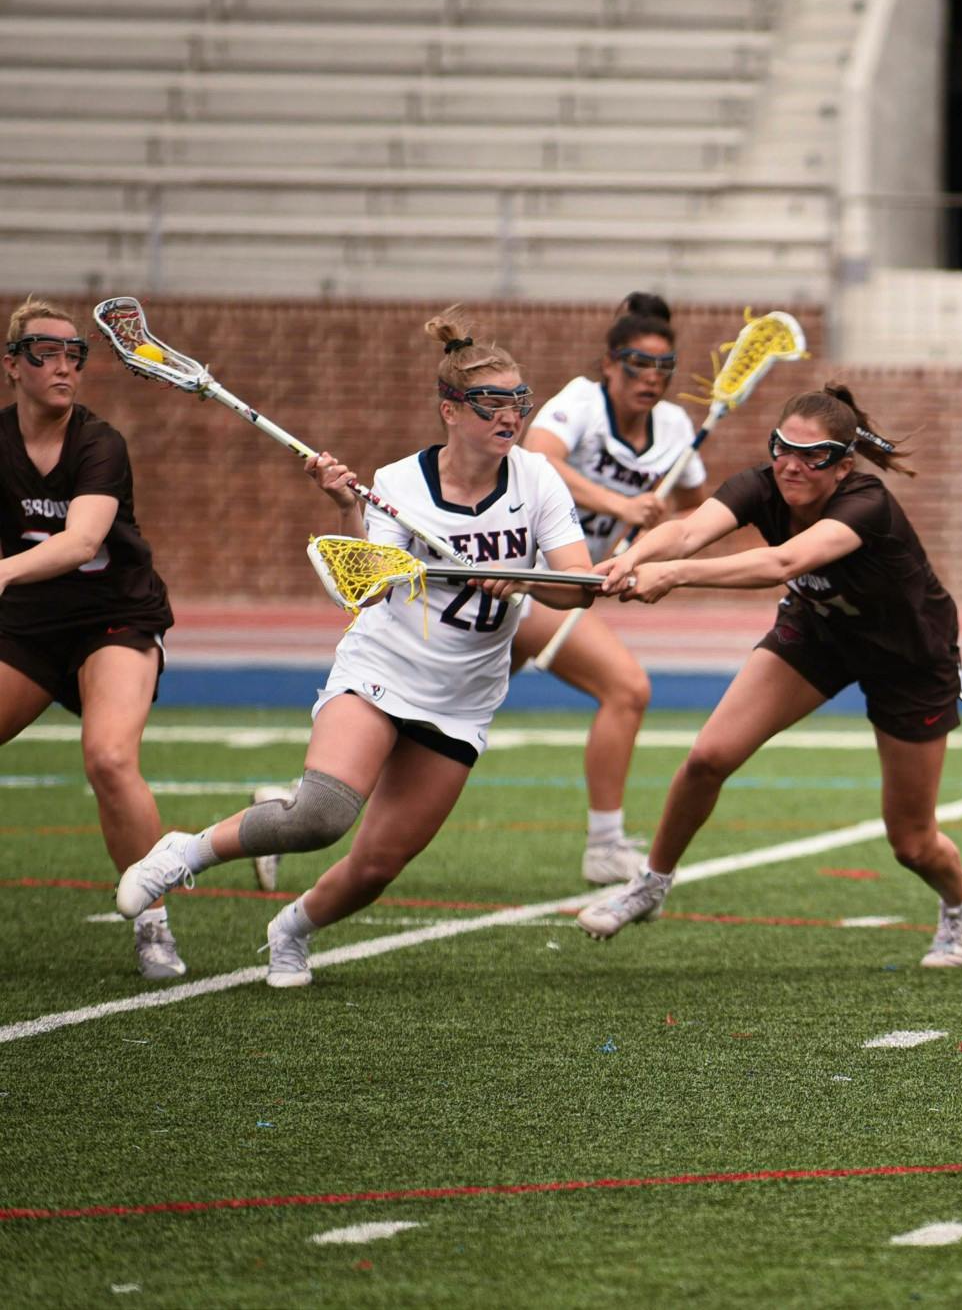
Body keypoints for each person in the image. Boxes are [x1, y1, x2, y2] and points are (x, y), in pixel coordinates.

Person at [115, 311, 597, 988]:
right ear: (450, 410)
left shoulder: (537, 480)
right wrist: (346, 508)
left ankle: (291, 929)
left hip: (462, 698)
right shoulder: (398, 483)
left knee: (376, 867)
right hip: (383, 668)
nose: (509, 414)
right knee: (320, 816)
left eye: (518, 399)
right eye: (490, 400)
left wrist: (521, 576)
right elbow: (364, 596)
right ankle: (181, 854)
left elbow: (577, 589)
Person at [576, 383, 962, 967]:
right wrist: (635, 556)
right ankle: (651, 883)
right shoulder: (761, 485)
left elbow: (783, 562)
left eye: (811, 455)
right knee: (708, 757)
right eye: (780, 447)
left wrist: (676, 576)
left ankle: (961, 902)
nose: (790, 465)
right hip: (819, 634)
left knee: (912, 843)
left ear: (844, 465)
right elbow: (689, 529)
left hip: (909, 661)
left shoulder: (866, 504)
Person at [0, 296, 181, 979]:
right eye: (44, 353)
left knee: (107, 757)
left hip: (115, 617)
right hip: (29, 629)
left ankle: (154, 923)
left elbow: (81, 541)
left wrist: (3, 572)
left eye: (74, 353)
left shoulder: (99, 443)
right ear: (12, 365)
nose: (63, 365)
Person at [512, 291, 706, 885]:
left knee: (433, 716)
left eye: (662, 367)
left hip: (562, 589)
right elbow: (536, 457)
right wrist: (621, 503)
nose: (649, 378)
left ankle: (296, 806)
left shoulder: (675, 428)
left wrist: (658, 533)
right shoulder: (580, 403)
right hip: (520, 575)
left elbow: (696, 511)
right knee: (626, 688)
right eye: (635, 363)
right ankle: (604, 845)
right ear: (608, 363)